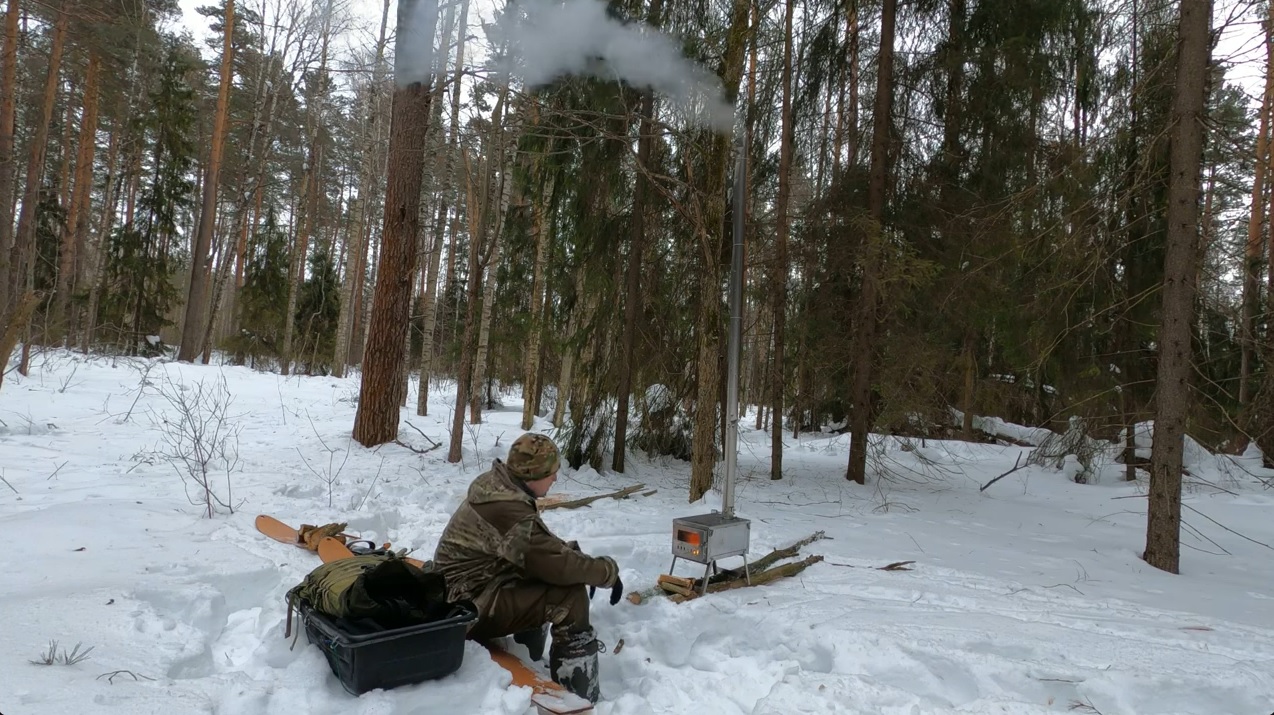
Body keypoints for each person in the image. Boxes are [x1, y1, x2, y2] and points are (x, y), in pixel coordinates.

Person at [432, 432, 623, 703]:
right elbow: (556, 565)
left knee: (547, 577)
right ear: (533, 475)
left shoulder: (500, 487)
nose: (556, 478)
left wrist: (571, 557)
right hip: (464, 609)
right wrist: (606, 572)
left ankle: (528, 657)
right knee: (570, 597)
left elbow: (540, 549)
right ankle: (579, 697)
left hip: (467, 590)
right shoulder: (507, 508)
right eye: (552, 472)